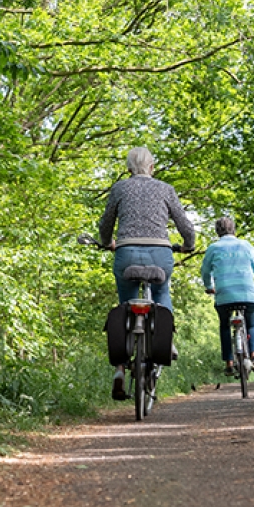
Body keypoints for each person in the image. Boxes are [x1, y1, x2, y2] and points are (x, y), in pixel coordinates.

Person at [98, 146, 195, 399]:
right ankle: (166, 340)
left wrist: (107, 241)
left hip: (126, 252)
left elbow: (106, 222)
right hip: (160, 254)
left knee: (125, 304)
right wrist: (188, 245)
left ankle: (120, 370)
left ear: (129, 168)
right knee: (162, 294)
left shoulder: (120, 188)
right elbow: (185, 225)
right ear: (152, 167)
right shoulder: (166, 189)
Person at [200, 216, 254, 376]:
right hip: (247, 293)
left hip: (224, 295)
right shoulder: (245, 245)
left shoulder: (213, 248)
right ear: (233, 229)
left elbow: (205, 271)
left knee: (224, 326)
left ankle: (229, 362)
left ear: (217, 232)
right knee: (251, 324)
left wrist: (209, 287)